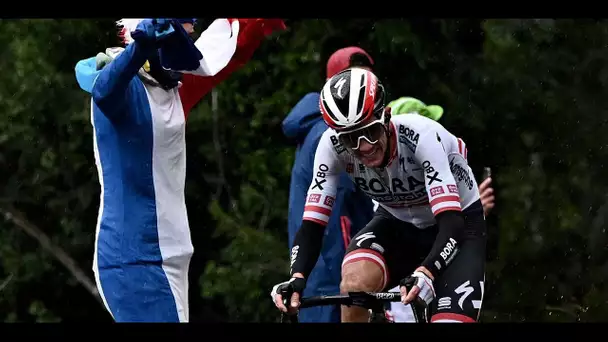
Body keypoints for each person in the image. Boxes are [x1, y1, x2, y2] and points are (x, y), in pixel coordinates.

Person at [75, 18, 285, 322]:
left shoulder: (172, 86)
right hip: (134, 259)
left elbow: (228, 49)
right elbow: (104, 92)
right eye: (181, 38)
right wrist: (140, 48)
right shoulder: (123, 86)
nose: (187, 46)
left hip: (169, 258)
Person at [271, 68, 486, 323]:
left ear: (386, 116)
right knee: (354, 284)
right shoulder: (330, 146)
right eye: (351, 138)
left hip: (455, 226)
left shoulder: (423, 136)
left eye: (370, 131)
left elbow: (452, 222)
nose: (364, 146)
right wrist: (297, 278)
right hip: (396, 222)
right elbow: (312, 225)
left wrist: (428, 271)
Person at [281, 46, 376, 323]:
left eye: (367, 81)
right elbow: (336, 220)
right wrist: (352, 276)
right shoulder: (332, 134)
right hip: (332, 280)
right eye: (354, 80)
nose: (362, 90)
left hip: (320, 275)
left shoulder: (317, 128)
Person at [382, 96, 495, 322]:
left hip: (432, 270)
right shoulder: (389, 177)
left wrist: (470, 209)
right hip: (405, 289)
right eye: (428, 123)